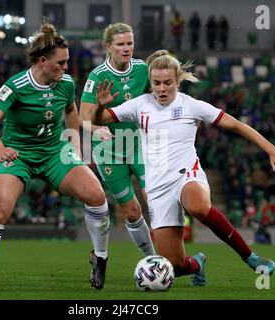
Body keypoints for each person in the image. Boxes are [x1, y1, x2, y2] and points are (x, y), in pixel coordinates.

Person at [92, 50, 275, 285]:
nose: (162, 88)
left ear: (177, 81)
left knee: (198, 207)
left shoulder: (192, 106)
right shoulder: (139, 105)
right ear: (150, 82)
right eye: (156, 83)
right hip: (157, 188)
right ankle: (198, 263)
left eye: (168, 83)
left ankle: (251, 258)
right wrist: (99, 106)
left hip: (186, 174)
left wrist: (271, 150)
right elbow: (98, 120)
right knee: (174, 266)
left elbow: (236, 126)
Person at [0, 24, 111, 290]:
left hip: (55, 153)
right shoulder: (16, 85)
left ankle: (100, 259)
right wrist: (0, 150)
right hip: (18, 155)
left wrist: (75, 147)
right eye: (61, 63)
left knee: (97, 196)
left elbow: (71, 114)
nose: (66, 68)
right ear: (43, 61)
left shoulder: (65, 84)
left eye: (67, 62)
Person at [79, 23, 156, 289]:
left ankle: (159, 264)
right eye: (121, 44)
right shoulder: (97, 76)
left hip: (138, 143)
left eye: (130, 43)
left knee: (153, 197)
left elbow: (161, 91)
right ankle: (152, 259)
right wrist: (97, 128)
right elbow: (82, 117)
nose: (126, 48)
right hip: (109, 150)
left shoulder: (142, 69)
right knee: (132, 211)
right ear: (109, 47)